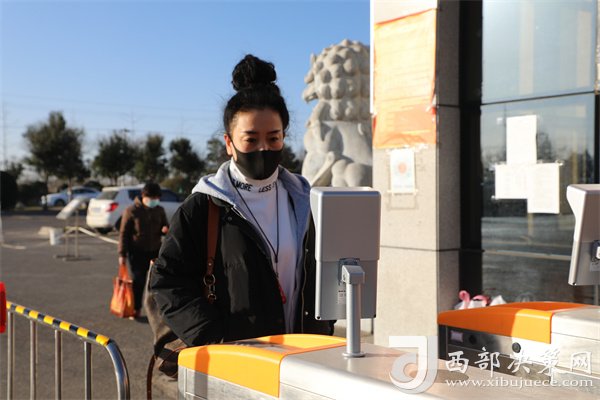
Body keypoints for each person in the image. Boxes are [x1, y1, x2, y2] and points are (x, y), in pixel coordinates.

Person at [149, 54, 334, 346]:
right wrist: (215, 337)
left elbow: (325, 273)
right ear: (229, 143)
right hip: (239, 361)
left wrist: (324, 324)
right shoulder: (204, 206)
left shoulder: (305, 201)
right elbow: (167, 281)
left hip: (302, 356)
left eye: (273, 138)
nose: (263, 148)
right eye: (251, 139)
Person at [118, 182, 169, 318]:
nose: (154, 201)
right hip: (137, 251)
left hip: (155, 251)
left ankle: (157, 311)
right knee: (138, 281)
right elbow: (124, 233)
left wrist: (165, 229)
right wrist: (122, 254)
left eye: (156, 198)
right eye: (151, 198)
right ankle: (136, 308)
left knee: (156, 282)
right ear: (143, 196)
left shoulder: (160, 210)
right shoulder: (131, 211)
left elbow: (165, 226)